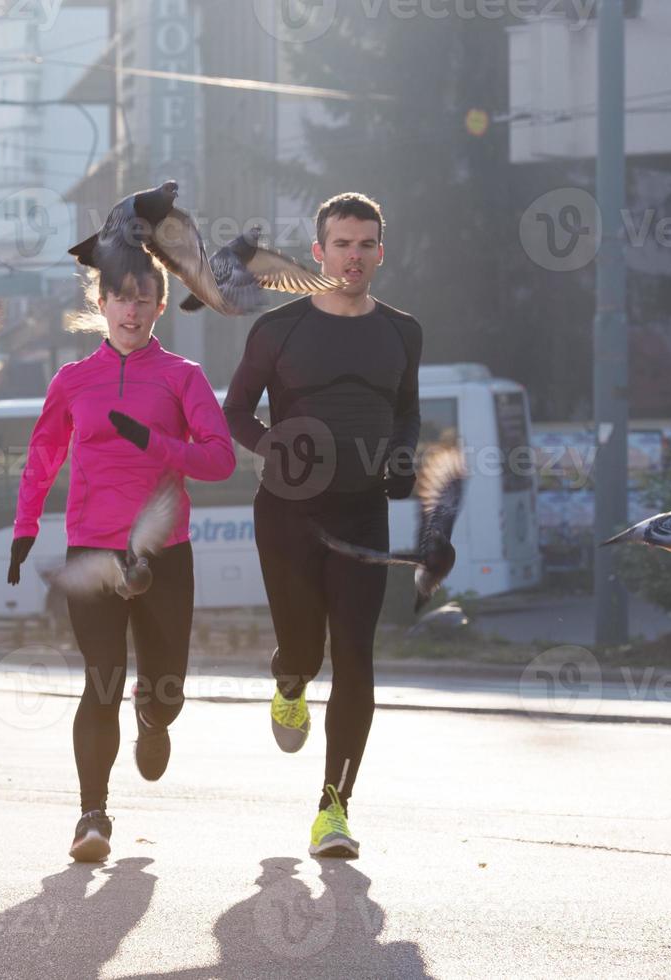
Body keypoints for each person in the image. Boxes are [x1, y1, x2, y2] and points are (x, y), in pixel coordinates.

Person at [9, 251, 236, 863]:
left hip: (166, 554)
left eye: (143, 299)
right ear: (101, 304)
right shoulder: (71, 381)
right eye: (119, 297)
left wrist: (156, 443)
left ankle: (154, 716)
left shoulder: (182, 376)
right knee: (99, 680)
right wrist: (24, 527)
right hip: (92, 549)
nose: (130, 310)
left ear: (160, 306)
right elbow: (43, 456)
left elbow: (220, 459)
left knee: (167, 689)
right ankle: (92, 817)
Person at [222, 193, 422, 859]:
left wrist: (400, 459)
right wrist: (270, 448)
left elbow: (406, 411)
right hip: (287, 512)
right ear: (318, 252)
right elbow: (235, 414)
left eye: (366, 244)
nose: (353, 255)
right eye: (341, 243)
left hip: (362, 512)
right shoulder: (278, 329)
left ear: (379, 252)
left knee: (356, 658)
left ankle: (332, 811)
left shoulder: (401, 331)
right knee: (305, 654)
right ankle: (287, 679)